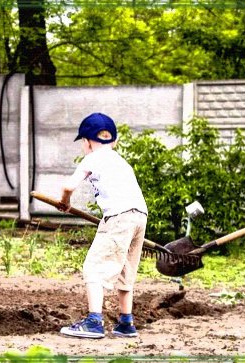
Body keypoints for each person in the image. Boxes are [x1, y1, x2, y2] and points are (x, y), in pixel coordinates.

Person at [57, 112, 148, 338]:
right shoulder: (121, 161)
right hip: (139, 215)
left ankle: (94, 322)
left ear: (87, 142)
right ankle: (126, 323)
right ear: (114, 141)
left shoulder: (93, 158)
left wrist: (65, 203)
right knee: (126, 270)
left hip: (118, 217)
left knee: (94, 268)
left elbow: (68, 187)